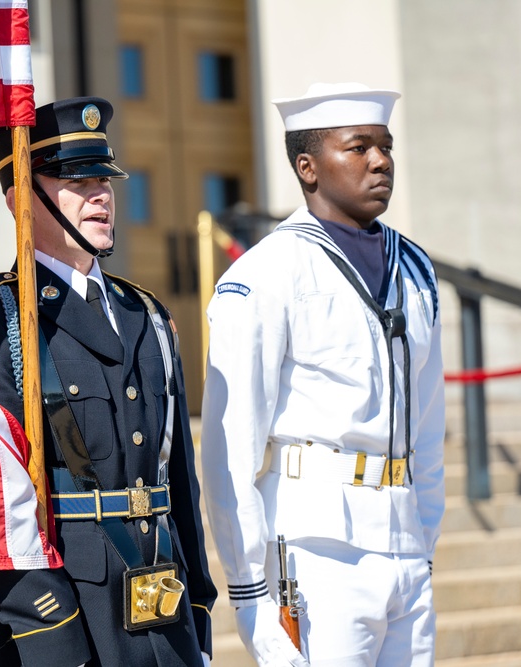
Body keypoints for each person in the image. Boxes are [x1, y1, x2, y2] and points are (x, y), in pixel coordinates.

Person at [0, 97, 217, 666]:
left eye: (103, 178)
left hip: (163, 612)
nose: (100, 194)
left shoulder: (147, 315)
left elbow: (178, 482)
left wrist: (200, 614)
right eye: (74, 178)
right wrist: (49, 632)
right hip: (60, 626)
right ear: (21, 199)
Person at [200, 82, 445, 666]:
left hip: (404, 544)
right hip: (315, 551)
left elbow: (428, 420)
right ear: (308, 167)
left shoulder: (415, 269)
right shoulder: (268, 271)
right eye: (358, 147)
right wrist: (247, 589)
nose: (381, 160)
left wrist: (424, 537)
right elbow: (230, 448)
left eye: (385, 146)